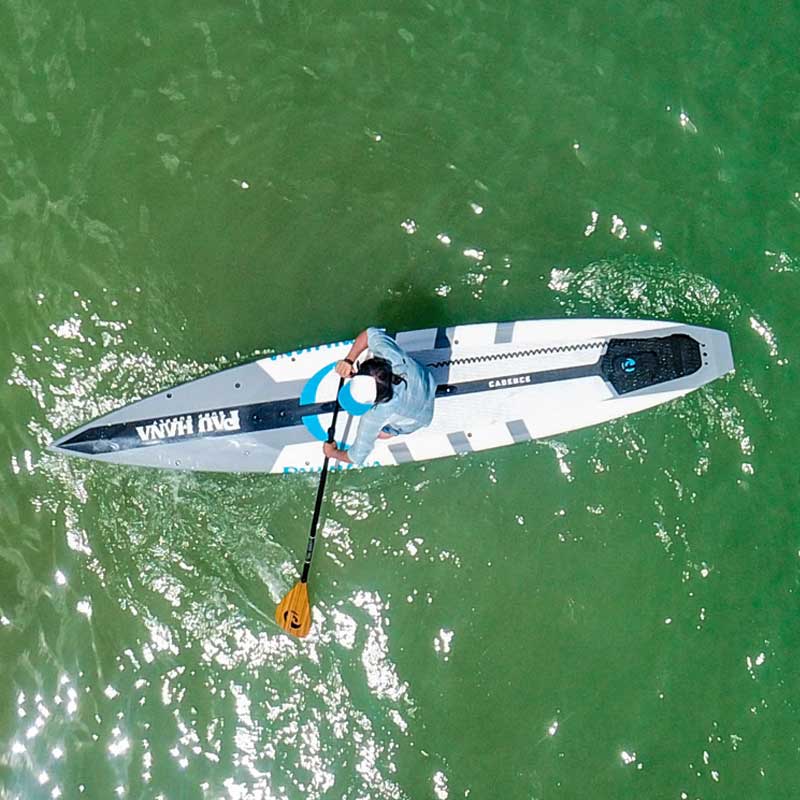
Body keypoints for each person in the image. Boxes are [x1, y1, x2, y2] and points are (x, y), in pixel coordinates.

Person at [323, 327, 436, 466]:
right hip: (427, 379)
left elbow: (356, 457)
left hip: (422, 417)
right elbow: (369, 333)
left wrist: (331, 453)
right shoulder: (392, 357)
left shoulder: (375, 415)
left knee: (382, 434)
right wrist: (349, 360)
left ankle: (393, 431)